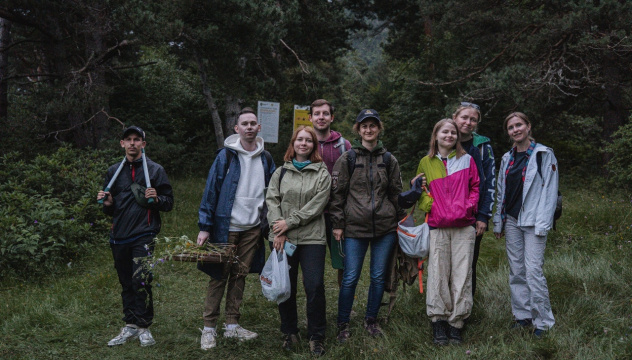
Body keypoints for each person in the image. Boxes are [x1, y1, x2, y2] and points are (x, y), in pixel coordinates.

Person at [197, 107, 276, 350]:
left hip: (252, 229)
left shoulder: (266, 158)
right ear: (237, 128)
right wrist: (205, 226)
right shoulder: (226, 156)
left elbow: (273, 193)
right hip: (226, 227)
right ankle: (209, 328)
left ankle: (232, 325)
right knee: (218, 275)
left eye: (253, 123)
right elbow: (211, 190)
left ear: (259, 128)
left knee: (240, 275)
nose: (250, 127)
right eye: (245, 124)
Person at [330, 109, 406, 342]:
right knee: (351, 276)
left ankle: (370, 320)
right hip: (355, 228)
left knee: (378, 276)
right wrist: (338, 223)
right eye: (364, 126)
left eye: (373, 125)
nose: (369, 129)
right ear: (358, 129)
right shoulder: (348, 158)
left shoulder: (389, 159)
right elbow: (337, 195)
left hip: (385, 227)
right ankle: (343, 323)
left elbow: (396, 192)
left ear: (379, 128)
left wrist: (402, 221)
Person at [97, 126, 174, 347]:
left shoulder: (155, 170)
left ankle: (144, 327)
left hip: (145, 232)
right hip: (119, 235)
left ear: (143, 144)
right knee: (125, 282)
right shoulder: (114, 171)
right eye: (128, 139)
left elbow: (169, 203)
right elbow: (110, 208)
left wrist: (157, 199)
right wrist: (107, 204)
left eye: (136, 139)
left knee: (141, 279)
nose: (132, 143)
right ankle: (130, 325)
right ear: (122, 143)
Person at [265, 125, 331, 356]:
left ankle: (316, 336)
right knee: (286, 286)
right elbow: (272, 200)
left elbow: (317, 205)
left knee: (314, 286)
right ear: (293, 144)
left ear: (314, 145)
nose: (303, 143)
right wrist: (279, 230)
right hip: (284, 238)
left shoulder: (322, 172)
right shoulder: (281, 172)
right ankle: (289, 331)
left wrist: (289, 222)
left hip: (313, 237)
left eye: (308, 140)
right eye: (299, 140)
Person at [493, 112, 558, 337]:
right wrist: (498, 222)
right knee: (517, 271)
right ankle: (523, 316)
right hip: (511, 220)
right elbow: (502, 192)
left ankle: (543, 322)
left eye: (519, 125)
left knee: (533, 271)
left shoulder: (543, 154)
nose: (515, 130)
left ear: (528, 127)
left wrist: (542, 225)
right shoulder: (507, 158)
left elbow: (549, 192)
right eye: (511, 127)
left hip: (533, 222)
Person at [415, 119, 480, 345]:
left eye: (453, 132)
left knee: (462, 273)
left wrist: (468, 207)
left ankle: (456, 322)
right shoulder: (426, 162)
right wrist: (430, 206)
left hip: (464, 225)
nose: (449, 135)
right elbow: (420, 190)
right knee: (437, 272)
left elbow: (475, 187)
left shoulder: (467, 160)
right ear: (436, 135)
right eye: (445, 132)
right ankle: (438, 320)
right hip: (438, 225)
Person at [452, 102, 496, 296]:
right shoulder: (444, 138)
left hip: (472, 215)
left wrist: (483, 216)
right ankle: (445, 305)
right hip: (445, 214)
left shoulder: (482, 147)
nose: (468, 122)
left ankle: (465, 307)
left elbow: (489, 183)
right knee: (445, 262)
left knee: (468, 262)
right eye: (464, 117)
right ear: (455, 118)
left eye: (473, 119)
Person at [308, 99, 351, 285]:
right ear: (310, 118)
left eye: (325, 113)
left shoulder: (343, 146)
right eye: (317, 114)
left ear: (332, 117)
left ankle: (345, 306)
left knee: (343, 261)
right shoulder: (303, 142)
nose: (321, 117)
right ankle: (315, 305)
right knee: (312, 264)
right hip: (311, 214)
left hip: (338, 213)